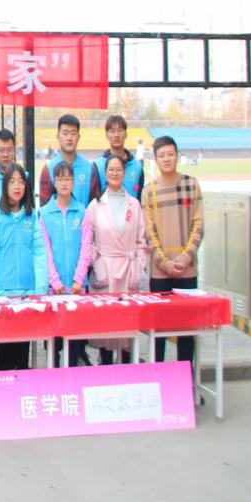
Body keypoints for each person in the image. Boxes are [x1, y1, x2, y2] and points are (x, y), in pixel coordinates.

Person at [142, 136, 204, 365]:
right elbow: (149, 232)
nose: (166, 159)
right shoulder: (149, 191)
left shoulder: (191, 184)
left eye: (170, 154)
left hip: (187, 269)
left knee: (187, 329)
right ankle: (159, 374)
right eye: (162, 155)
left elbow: (198, 225)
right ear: (156, 159)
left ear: (177, 156)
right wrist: (164, 262)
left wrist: (186, 257)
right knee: (159, 330)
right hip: (160, 272)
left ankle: (186, 375)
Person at [84, 153, 148, 364]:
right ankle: (106, 366)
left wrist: (139, 266)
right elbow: (88, 240)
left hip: (128, 270)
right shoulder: (95, 205)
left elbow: (141, 240)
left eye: (118, 169)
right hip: (105, 271)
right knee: (106, 329)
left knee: (127, 329)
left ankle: (128, 369)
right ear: (105, 173)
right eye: (111, 169)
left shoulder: (134, 205)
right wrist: (96, 263)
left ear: (124, 173)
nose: (114, 173)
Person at [0, 164, 48, 371]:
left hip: (27, 295)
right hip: (3, 294)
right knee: (4, 357)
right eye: (12, 182)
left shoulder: (32, 217)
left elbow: (40, 254)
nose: (17, 186)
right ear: (4, 186)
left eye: (21, 182)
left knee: (23, 356)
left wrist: (39, 290)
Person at [40, 161, 93, 366]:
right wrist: (55, 281)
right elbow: (45, 251)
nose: (64, 183)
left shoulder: (82, 211)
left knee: (75, 339)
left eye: (68, 179)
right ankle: (54, 375)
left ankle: (73, 375)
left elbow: (86, 248)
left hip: (78, 288)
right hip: (55, 289)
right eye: (60, 179)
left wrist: (79, 279)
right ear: (54, 182)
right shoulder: (45, 213)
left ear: (73, 182)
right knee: (53, 341)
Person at [39, 114, 93, 207]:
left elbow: (95, 206)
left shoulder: (90, 168)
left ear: (78, 137)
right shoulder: (49, 169)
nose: (69, 138)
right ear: (58, 136)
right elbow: (44, 207)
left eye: (73, 133)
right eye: (65, 133)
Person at [89, 114, 145, 200]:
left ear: (126, 134)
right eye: (112, 131)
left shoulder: (137, 167)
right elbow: (93, 199)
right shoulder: (98, 165)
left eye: (120, 130)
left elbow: (140, 198)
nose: (116, 135)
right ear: (106, 135)